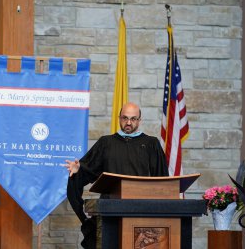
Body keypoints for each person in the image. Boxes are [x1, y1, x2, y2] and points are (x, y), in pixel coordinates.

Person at [65, 102, 168, 249]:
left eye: (133, 119)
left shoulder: (151, 143)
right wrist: (78, 170)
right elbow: (89, 169)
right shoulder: (106, 142)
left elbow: (162, 179)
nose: (128, 122)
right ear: (119, 118)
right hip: (109, 211)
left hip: (141, 211)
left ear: (139, 120)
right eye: (125, 118)